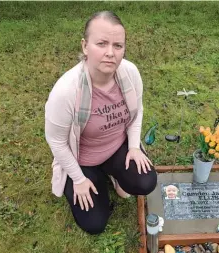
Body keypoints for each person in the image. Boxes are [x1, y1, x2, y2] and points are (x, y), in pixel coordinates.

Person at [45, 11, 157, 235]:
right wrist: (78, 179)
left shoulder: (130, 72)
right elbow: (56, 141)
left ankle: (115, 175)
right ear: (85, 46)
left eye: (118, 46)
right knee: (94, 223)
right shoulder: (67, 90)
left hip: (116, 146)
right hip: (82, 159)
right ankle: (94, 178)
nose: (110, 53)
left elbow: (137, 111)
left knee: (145, 183)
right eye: (101, 44)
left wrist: (134, 147)